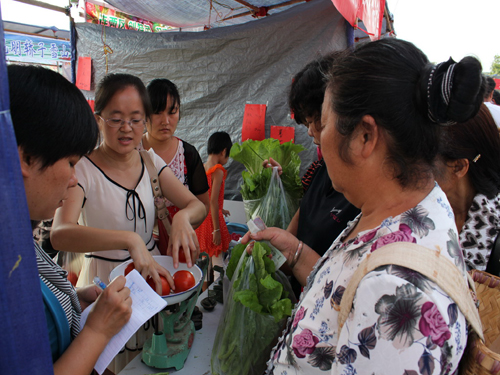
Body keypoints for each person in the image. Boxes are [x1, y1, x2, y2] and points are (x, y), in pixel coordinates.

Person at [243, 38, 484, 374]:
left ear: (364, 137)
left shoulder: (399, 299)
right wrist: (294, 251)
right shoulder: (403, 208)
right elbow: (343, 293)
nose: (317, 136)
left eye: (324, 124)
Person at [51, 73, 206, 372]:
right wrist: (130, 240)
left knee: (144, 361)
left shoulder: (150, 162)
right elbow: (60, 234)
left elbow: (195, 204)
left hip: (149, 282)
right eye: (116, 119)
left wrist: (185, 218)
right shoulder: (83, 169)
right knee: (109, 363)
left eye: (136, 119)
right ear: (98, 121)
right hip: (102, 285)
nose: (127, 128)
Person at [9, 64, 132, 375]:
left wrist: (75, 300)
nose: (74, 180)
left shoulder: (15, 235)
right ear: (25, 157)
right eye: (71, 162)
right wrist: (97, 331)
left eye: (136, 119)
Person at [264, 53, 361, 297]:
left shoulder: (367, 202)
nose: (310, 132)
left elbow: (345, 295)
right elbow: (293, 233)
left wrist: (296, 255)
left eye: (316, 121)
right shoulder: (321, 172)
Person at [436, 104, 500, 271]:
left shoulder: (493, 231)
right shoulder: (427, 212)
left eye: (424, 160)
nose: (414, 170)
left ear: (458, 167)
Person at [140, 78, 210, 219]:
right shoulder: (130, 151)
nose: (165, 121)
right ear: (144, 114)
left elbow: (204, 206)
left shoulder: (188, 154)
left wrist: (180, 228)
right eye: (158, 112)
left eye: (172, 112)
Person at [195, 131, 233, 283]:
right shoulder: (218, 170)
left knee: (204, 265)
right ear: (224, 151)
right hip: (212, 222)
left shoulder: (202, 168)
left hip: (201, 221)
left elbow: (205, 197)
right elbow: (213, 201)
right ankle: (218, 296)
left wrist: (220, 208)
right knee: (218, 264)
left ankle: (203, 295)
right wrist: (217, 230)